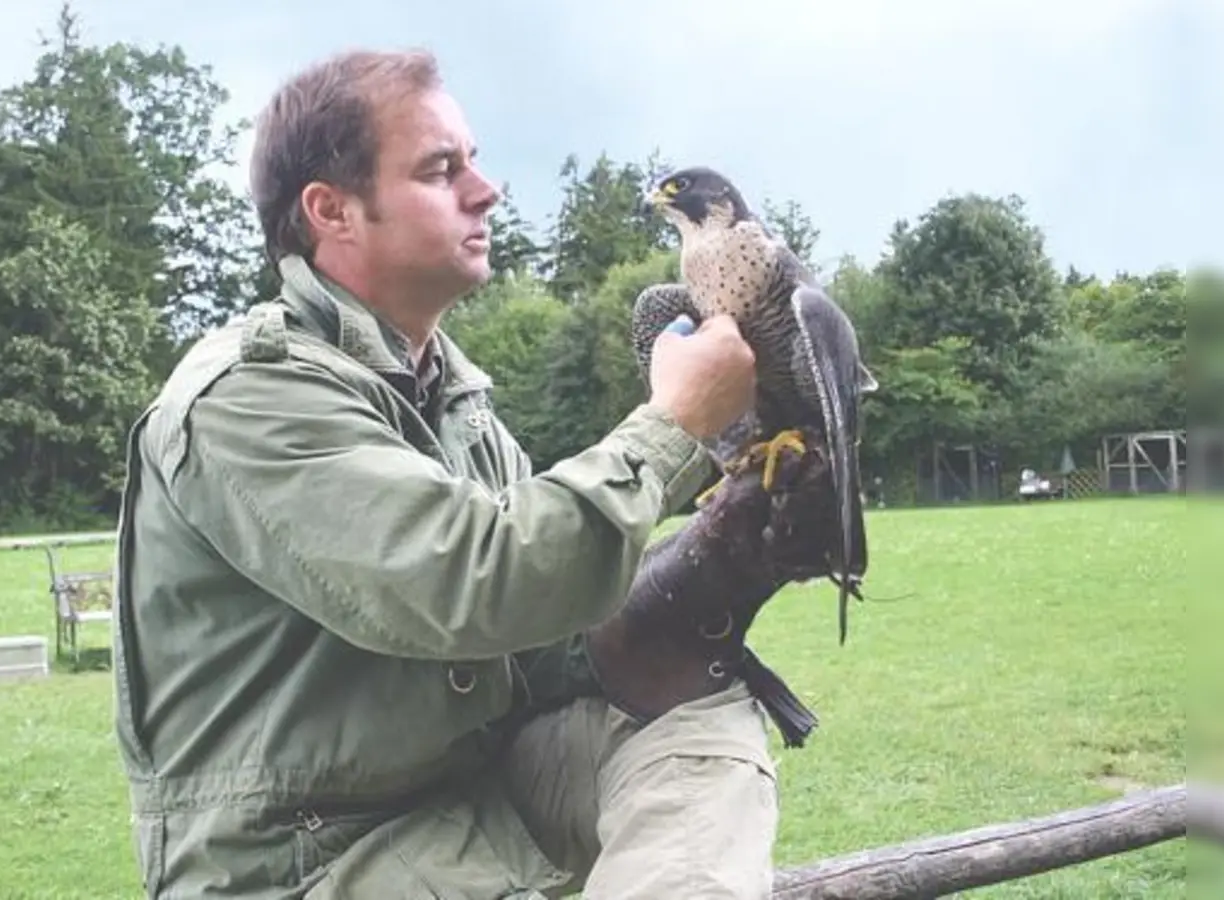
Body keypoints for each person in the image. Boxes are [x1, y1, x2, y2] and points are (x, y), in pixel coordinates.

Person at [110, 47, 782, 899]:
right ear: (333, 212)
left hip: (471, 792)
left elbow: (539, 637)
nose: (486, 189)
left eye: (476, 160)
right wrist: (673, 426)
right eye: (442, 169)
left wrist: (709, 571)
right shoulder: (248, 397)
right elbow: (474, 580)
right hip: (307, 854)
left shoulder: (452, 396)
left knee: (696, 717)